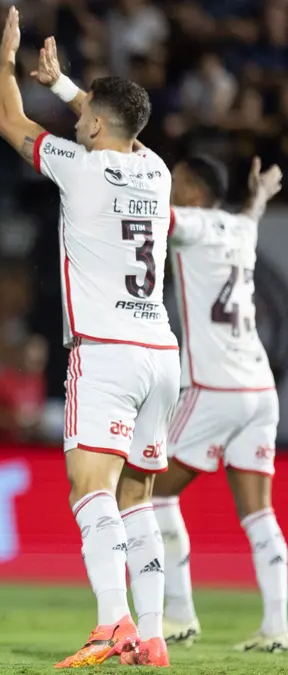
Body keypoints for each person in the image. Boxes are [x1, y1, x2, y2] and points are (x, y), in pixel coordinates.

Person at [0, 9, 175, 667]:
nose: (74, 120)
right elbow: (120, 126)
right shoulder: (155, 170)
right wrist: (66, 82)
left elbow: (7, 122)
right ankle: (151, 636)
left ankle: (111, 623)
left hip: (106, 351)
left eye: (81, 115)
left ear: (96, 127)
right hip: (161, 353)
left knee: (90, 487)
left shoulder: (81, 166)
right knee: (137, 498)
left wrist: (6, 60)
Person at [154, 154, 286, 652]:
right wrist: (259, 198)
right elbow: (247, 220)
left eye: (175, 182)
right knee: (259, 514)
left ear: (191, 192)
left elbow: (150, 211)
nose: (167, 188)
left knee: (148, 492)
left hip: (215, 388)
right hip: (260, 391)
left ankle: (179, 615)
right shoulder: (238, 228)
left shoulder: (192, 223)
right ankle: (279, 625)